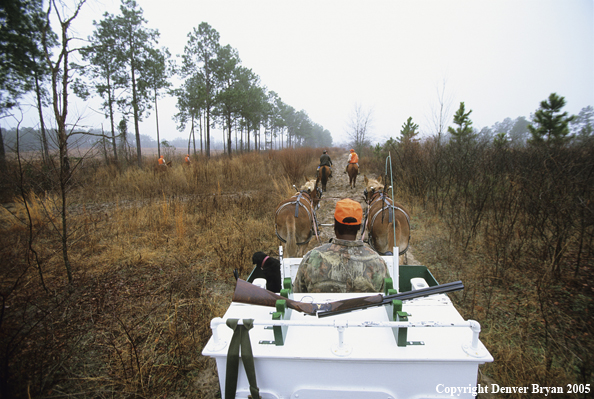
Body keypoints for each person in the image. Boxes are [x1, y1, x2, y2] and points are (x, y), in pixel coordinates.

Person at [293, 198, 389, 293]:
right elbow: (387, 298)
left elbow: (297, 295)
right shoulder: (378, 262)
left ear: (335, 225)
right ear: (359, 227)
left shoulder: (311, 258)